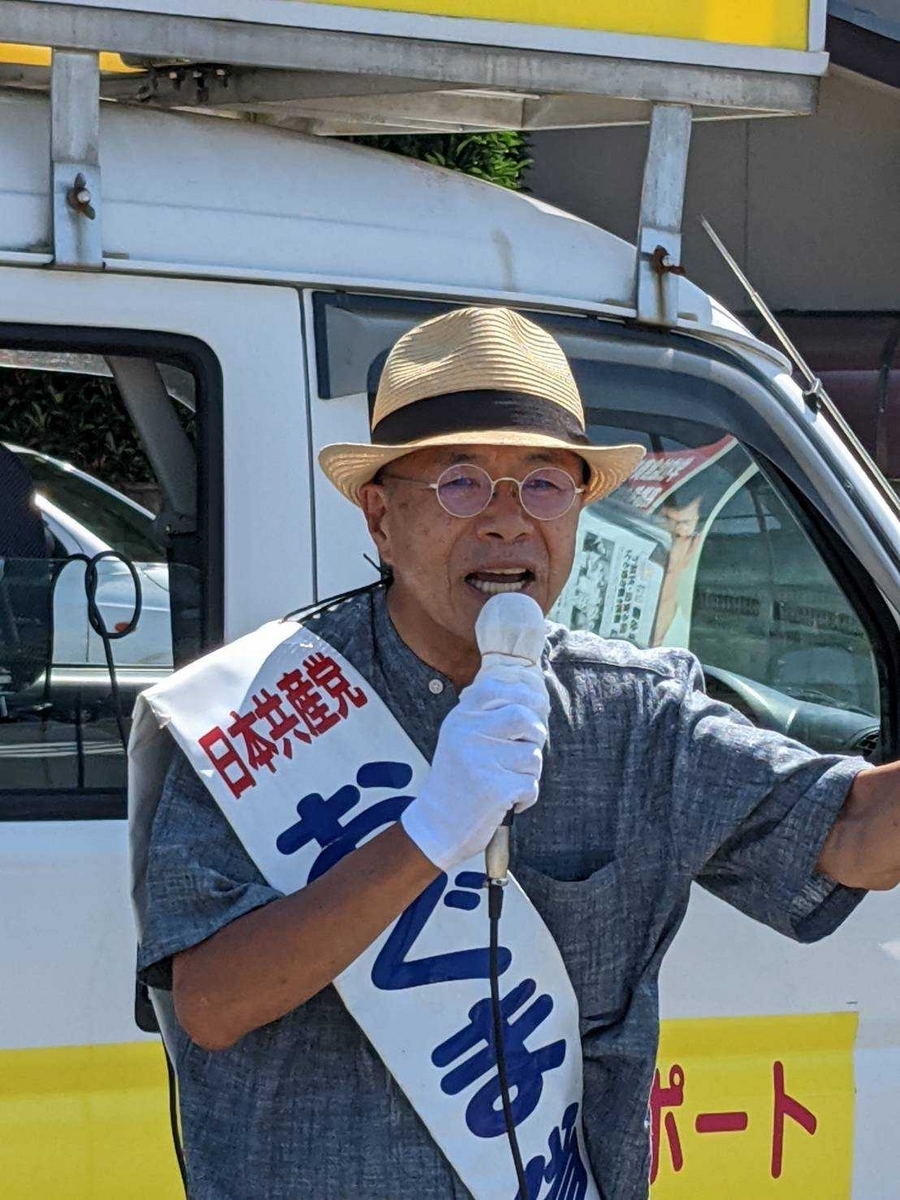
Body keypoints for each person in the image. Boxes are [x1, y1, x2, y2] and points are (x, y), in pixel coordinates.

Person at [132, 306, 899, 1200]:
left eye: (544, 484)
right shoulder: (258, 711)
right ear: (380, 517)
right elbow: (212, 1005)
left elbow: (851, 832)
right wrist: (427, 835)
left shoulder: (632, 714)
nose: (507, 522)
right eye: (461, 482)